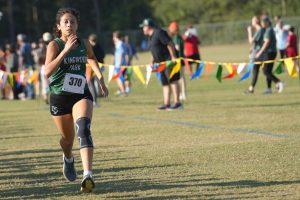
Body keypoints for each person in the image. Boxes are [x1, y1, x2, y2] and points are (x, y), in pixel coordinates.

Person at [44, 8, 108, 193]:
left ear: (77, 25)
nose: (69, 25)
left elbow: (92, 58)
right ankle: (68, 158)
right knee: (67, 139)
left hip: (81, 94)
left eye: (72, 21)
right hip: (59, 97)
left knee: (84, 129)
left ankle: (88, 175)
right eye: (65, 22)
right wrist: (65, 51)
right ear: (59, 26)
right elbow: (47, 72)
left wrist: (100, 78)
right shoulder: (54, 45)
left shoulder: (84, 43)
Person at [140, 18, 182, 110]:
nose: (142, 29)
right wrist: (152, 62)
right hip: (160, 63)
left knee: (172, 80)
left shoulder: (159, 33)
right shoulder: (150, 37)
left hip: (169, 61)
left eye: (143, 27)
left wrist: (173, 57)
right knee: (165, 83)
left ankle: (177, 103)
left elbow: (169, 43)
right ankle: (166, 103)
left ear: (148, 26)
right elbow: (155, 51)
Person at [256, 15, 284, 94]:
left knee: (265, 71)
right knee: (268, 71)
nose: (262, 23)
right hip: (271, 52)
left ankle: (279, 82)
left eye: (263, 21)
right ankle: (269, 89)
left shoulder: (268, 30)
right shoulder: (267, 29)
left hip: (270, 52)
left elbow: (267, 42)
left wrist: (259, 53)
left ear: (267, 22)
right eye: (261, 21)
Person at [244, 16, 265, 94]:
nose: (251, 22)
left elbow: (251, 41)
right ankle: (251, 88)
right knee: (258, 71)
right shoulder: (259, 30)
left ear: (255, 21)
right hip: (257, 52)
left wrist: (249, 32)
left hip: (258, 53)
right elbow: (256, 42)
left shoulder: (259, 30)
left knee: (265, 71)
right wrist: (252, 48)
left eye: (252, 20)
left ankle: (278, 82)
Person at [168, 21, 187, 101]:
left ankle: (179, 95)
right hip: (182, 59)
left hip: (177, 60)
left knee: (177, 79)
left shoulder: (175, 38)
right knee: (182, 78)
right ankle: (184, 94)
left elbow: (177, 48)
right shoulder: (180, 37)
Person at [87, 34, 105, 106]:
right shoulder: (99, 46)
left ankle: (94, 100)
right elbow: (103, 55)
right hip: (100, 67)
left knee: (91, 84)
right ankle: (98, 96)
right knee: (98, 83)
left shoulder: (90, 47)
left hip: (92, 68)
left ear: (90, 40)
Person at [17, 34, 35, 99]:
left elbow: (21, 58)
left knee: (26, 80)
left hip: (25, 66)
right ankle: (32, 94)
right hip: (31, 65)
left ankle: (30, 94)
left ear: (19, 40)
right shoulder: (28, 45)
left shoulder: (22, 46)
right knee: (31, 80)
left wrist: (19, 67)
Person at [112, 31, 128, 96]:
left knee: (119, 78)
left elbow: (121, 54)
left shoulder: (120, 44)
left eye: (113, 37)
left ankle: (123, 91)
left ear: (116, 37)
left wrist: (119, 63)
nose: (113, 38)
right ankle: (123, 91)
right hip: (120, 64)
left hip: (119, 64)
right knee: (121, 78)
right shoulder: (119, 44)